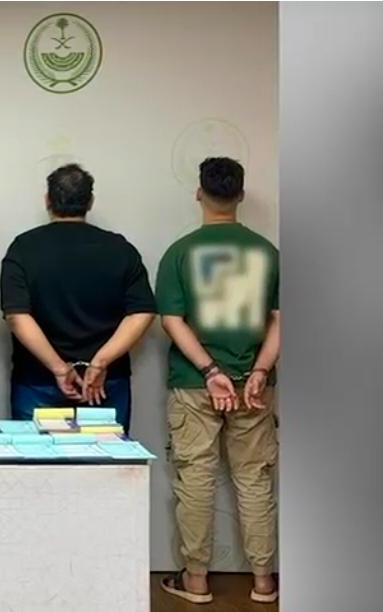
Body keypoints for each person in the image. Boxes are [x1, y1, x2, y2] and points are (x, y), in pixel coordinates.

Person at [156, 157, 279, 605]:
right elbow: (281, 319)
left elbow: (172, 320)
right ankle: (263, 583)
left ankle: (196, 581)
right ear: (240, 195)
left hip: (194, 383)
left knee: (196, 480)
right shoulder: (267, 252)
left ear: (199, 193)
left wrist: (210, 371)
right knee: (254, 481)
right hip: (253, 387)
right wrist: (259, 371)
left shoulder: (180, 252)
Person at [0, 164, 156, 430]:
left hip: (38, 380)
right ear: (90, 201)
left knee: (37, 458)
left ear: (47, 200)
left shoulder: (23, 248)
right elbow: (142, 312)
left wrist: (58, 368)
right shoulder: (120, 249)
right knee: (108, 457)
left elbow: (16, 316)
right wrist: (100, 362)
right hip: (105, 382)